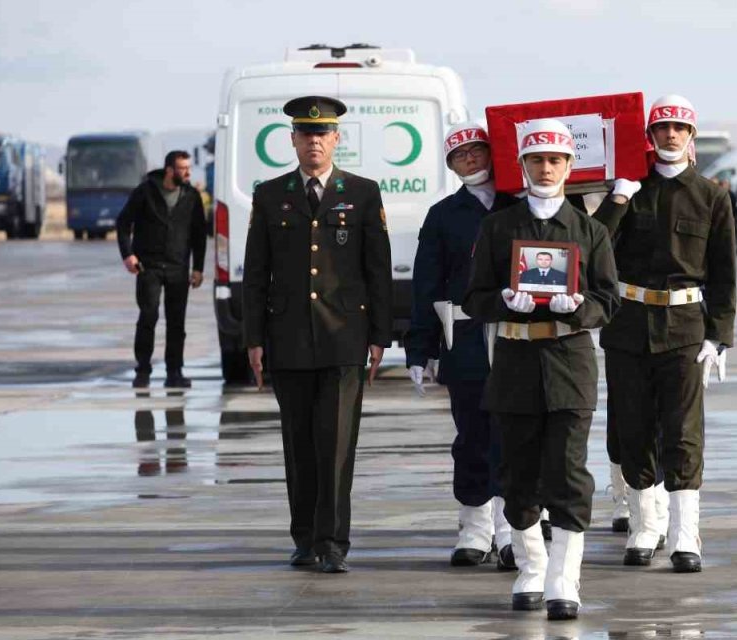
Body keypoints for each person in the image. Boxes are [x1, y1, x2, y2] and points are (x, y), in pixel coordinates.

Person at [463, 118, 619, 621]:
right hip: (514, 364)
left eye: (555, 160)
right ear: (522, 165)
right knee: (517, 473)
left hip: (569, 363)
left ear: (570, 166)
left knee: (569, 473)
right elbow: (473, 297)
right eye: (536, 160)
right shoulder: (498, 228)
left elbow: (608, 300)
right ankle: (531, 567)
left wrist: (580, 307)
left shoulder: (590, 231)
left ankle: (563, 578)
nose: (546, 168)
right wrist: (504, 301)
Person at [242, 96, 393, 575]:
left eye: (322, 134)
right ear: (292, 140)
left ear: (336, 139)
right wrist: (253, 338)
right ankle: (304, 539)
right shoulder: (270, 195)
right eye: (306, 134)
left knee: (337, 445)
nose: (314, 141)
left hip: (344, 337)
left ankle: (332, 543)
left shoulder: (363, 193)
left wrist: (380, 335)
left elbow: (378, 270)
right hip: (287, 337)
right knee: (298, 444)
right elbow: (255, 273)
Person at [592, 94, 736, 574]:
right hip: (629, 324)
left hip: (685, 327)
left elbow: (724, 273)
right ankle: (644, 525)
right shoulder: (630, 189)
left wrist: (718, 335)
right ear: (650, 135)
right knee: (633, 426)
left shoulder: (712, 196)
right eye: (662, 127)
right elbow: (592, 245)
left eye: (679, 127)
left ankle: (684, 533)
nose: (670, 134)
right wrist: (619, 197)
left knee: (683, 431)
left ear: (691, 135)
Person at [407, 121, 520, 570]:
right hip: (466, 337)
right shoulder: (442, 215)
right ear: (450, 165)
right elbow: (426, 284)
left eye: (476, 150)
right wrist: (420, 349)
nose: (469, 159)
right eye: (460, 155)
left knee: (512, 434)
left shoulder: (521, 204)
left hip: (515, 335)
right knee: (472, 434)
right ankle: (475, 528)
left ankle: (513, 530)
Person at [115, 151, 207, 389]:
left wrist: (198, 268)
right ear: (169, 170)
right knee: (149, 316)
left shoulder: (192, 196)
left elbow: (199, 234)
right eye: (183, 168)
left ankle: (174, 372)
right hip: (149, 266)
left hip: (178, 267)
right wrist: (128, 255)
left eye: (189, 168)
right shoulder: (145, 191)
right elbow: (123, 223)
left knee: (176, 322)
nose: (188, 173)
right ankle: (143, 370)